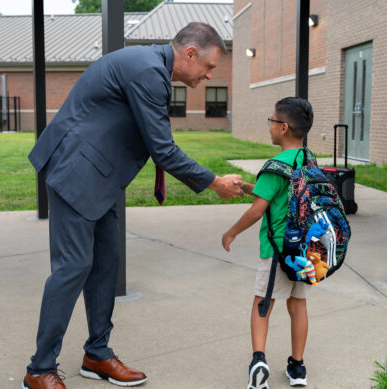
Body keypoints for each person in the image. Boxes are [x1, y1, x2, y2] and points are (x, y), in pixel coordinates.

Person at [23, 22, 243, 389]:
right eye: (208, 68)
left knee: (106, 265)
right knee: (72, 268)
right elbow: (163, 148)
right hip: (77, 172)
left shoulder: (152, 66)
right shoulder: (147, 70)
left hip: (102, 178)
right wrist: (214, 182)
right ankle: (39, 369)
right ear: (189, 54)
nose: (208, 76)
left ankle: (97, 353)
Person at [222, 97, 314, 388]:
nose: (270, 126)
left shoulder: (275, 165)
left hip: (276, 250)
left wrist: (232, 232)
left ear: (283, 127)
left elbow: (257, 210)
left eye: (272, 121)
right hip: (304, 250)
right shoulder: (308, 159)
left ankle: (258, 361)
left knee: (263, 303)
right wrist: (249, 187)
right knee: (298, 304)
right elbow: (278, 195)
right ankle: (297, 368)